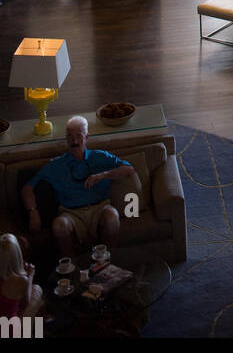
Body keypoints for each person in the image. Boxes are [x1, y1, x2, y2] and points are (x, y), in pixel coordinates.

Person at [21, 115, 134, 258]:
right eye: (70, 137)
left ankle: (107, 265)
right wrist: (33, 213)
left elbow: (129, 169)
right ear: (66, 139)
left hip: (100, 207)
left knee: (112, 216)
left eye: (79, 136)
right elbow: (28, 188)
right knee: (59, 225)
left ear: (86, 137)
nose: (74, 141)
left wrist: (102, 175)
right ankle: (72, 269)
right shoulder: (56, 165)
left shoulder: (99, 157)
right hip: (70, 213)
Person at [0, 234, 43, 322]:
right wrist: (30, 275)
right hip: (8, 331)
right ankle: (35, 331)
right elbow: (25, 304)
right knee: (37, 289)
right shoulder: (20, 281)